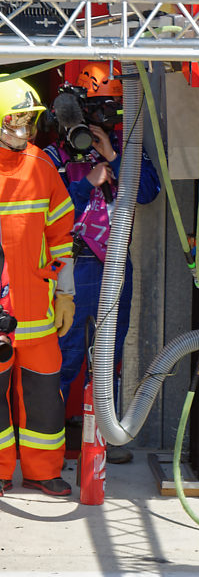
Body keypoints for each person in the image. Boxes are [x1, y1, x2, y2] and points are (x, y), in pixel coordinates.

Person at [45, 61, 158, 463]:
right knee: (65, 355)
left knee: (108, 355)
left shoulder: (124, 147)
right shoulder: (52, 154)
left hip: (114, 265)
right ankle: (49, 445)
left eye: (113, 108)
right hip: (72, 270)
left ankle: (101, 440)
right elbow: (48, 211)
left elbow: (146, 193)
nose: (107, 117)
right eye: (99, 108)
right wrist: (85, 181)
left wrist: (113, 154)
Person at [0, 81, 75, 496]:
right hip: (1, 310)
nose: (25, 129)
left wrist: (67, 293)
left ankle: (43, 470)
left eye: (30, 120)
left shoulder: (41, 166)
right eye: (17, 120)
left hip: (39, 310)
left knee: (44, 396)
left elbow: (63, 233)